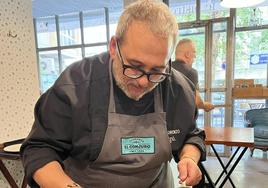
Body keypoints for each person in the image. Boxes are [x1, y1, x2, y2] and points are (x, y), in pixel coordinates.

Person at [20, 1, 206, 187]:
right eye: (134, 67)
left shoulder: (178, 88)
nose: (143, 81)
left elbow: (190, 134)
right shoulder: (75, 86)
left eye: (157, 70)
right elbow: (40, 148)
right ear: (113, 47)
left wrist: (189, 157)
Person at [172, 38, 214, 112]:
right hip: (184, 121)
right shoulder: (191, 72)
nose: (195, 56)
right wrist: (205, 105)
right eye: (194, 52)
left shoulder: (165, 69)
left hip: (163, 121)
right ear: (187, 54)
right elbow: (197, 101)